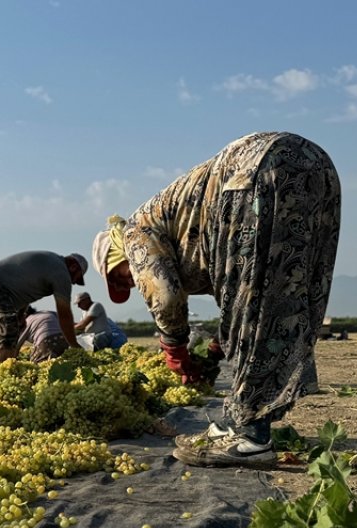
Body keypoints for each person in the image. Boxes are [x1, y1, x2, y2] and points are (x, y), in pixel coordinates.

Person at [93, 131, 340, 468]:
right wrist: (221, 343)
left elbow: (163, 296)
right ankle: (257, 426)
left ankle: (250, 437)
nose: (132, 282)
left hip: (253, 171)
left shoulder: (136, 230)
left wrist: (174, 348)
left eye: (122, 275)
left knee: (269, 301)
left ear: (118, 254)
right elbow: (242, 291)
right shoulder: (183, 229)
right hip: (315, 167)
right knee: (288, 291)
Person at [0, 251, 89, 364]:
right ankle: (2, 373)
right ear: (73, 267)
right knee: (8, 331)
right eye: (76, 278)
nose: (73, 283)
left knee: (7, 331)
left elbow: (25, 290)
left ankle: (4, 369)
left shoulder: (51, 263)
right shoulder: (61, 273)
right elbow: (64, 314)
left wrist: (21, 315)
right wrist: (73, 344)